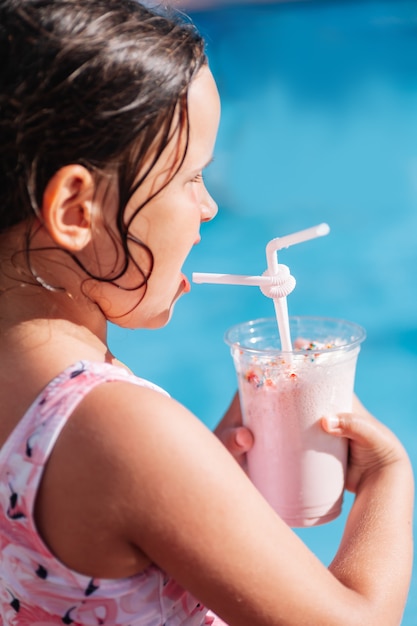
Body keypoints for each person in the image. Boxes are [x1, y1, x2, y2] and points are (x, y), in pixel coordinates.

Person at [0, 0, 413, 624]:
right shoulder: (119, 427)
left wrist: (198, 482)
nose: (209, 207)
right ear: (76, 211)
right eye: (191, 177)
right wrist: (389, 479)